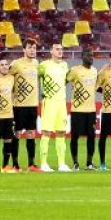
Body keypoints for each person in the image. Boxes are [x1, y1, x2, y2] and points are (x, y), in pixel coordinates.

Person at [36, 42, 71, 172]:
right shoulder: (43, 65)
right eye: (57, 49)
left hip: (61, 102)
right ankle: (44, 163)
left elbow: (65, 81)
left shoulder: (64, 65)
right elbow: (34, 77)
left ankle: (61, 164)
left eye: (61, 49)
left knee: (61, 132)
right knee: (46, 132)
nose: (59, 51)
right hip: (49, 102)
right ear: (51, 51)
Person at [8, 38, 41, 171]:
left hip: (33, 104)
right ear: (24, 49)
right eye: (29, 48)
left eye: (34, 48)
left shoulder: (37, 64)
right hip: (19, 105)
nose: (32, 50)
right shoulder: (16, 64)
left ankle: (31, 164)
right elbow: (6, 75)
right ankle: (15, 164)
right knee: (16, 134)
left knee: (31, 133)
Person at [66, 50, 98, 170]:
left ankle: (89, 163)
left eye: (91, 56)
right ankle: (75, 163)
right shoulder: (75, 70)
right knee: (75, 136)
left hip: (91, 110)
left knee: (91, 137)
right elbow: (65, 81)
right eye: (88, 55)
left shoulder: (95, 71)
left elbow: (96, 87)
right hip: (77, 110)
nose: (91, 58)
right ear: (82, 57)